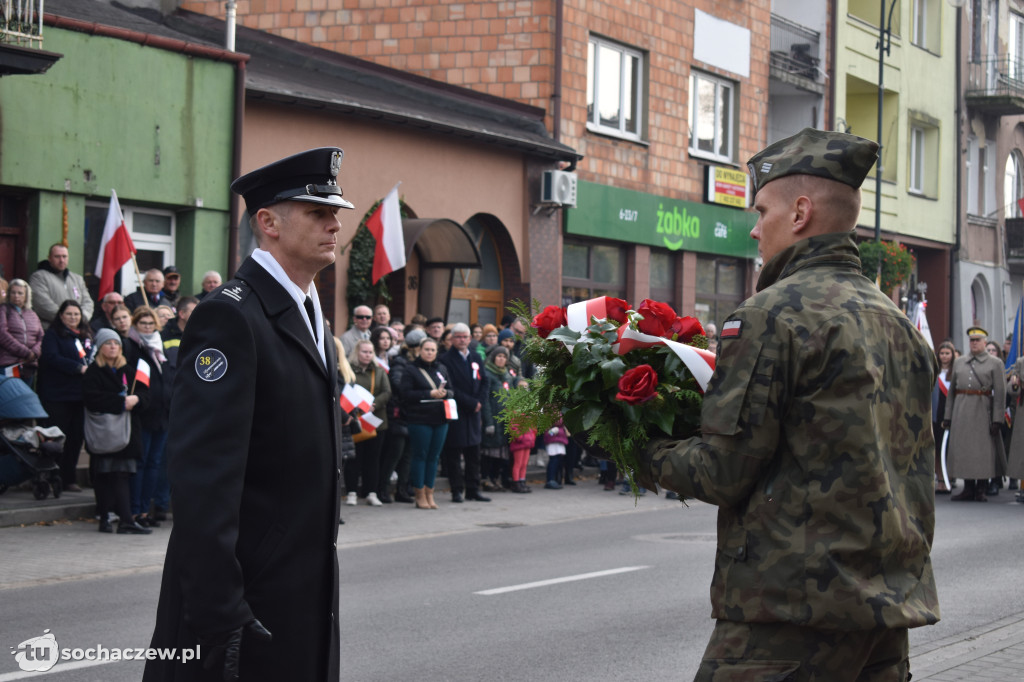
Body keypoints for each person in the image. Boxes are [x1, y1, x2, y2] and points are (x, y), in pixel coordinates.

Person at [627, 129, 939, 678]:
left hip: (791, 613)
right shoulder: (899, 325)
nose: (754, 226)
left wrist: (633, 443)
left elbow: (723, 471)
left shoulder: (772, 315)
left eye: (762, 209)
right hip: (884, 613)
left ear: (799, 213)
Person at [144, 147, 352, 682]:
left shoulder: (309, 314)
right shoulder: (231, 318)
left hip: (301, 591)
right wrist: (218, 615)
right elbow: (203, 478)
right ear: (268, 222)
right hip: (245, 603)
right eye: (317, 213)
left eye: (335, 213)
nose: (334, 224)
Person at [83, 328, 151, 535]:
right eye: (108, 343)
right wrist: (120, 402)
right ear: (100, 348)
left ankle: (126, 520)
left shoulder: (129, 371)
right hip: (103, 432)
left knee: (122, 475)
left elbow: (145, 394)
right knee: (103, 475)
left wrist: (137, 400)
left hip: (126, 434)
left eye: (116, 344)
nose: (113, 347)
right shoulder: (93, 371)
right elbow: (91, 398)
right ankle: (104, 517)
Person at [942, 327, 1007, 502]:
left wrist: (997, 419)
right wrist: (947, 416)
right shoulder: (960, 361)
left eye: (978, 340)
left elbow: (1000, 394)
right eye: (972, 340)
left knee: (982, 452)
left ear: (985, 342)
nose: (974, 343)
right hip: (961, 410)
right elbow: (952, 392)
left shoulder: (995, 363)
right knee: (963, 450)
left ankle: (981, 488)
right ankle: (968, 488)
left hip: (982, 409)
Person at [37, 300, 93, 492]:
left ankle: (69, 478)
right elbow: (51, 358)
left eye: (76, 314)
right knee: (56, 438)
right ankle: (51, 476)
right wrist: (78, 368)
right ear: (61, 316)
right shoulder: (53, 335)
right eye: (69, 314)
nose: (73, 318)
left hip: (79, 397)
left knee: (76, 438)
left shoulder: (84, 336)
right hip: (57, 396)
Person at [127, 307, 169, 528]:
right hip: (144, 415)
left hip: (162, 416)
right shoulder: (133, 347)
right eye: (142, 324)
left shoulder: (158, 346)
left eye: (150, 324)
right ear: (135, 325)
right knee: (141, 464)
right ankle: (134, 511)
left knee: (155, 464)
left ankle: (145, 510)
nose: (147, 327)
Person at [440, 322, 490, 503]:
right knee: (454, 454)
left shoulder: (475, 356)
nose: (462, 340)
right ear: (452, 339)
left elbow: (485, 381)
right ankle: (456, 490)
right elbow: (450, 386)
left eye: (465, 337)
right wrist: (470, 402)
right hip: (458, 410)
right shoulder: (445, 360)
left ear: (470, 338)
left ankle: (473, 489)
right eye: (458, 337)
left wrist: (479, 402)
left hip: (474, 412)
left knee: (474, 454)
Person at [400, 338, 453, 509]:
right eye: (426, 349)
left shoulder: (442, 368)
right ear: (420, 350)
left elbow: (452, 390)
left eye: (432, 350)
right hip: (419, 419)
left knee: (434, 457)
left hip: (440, 419)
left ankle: (430, 494)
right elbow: (405, 394)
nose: (429, 352)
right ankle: (419, 494)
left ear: (437, 352)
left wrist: (445, 393)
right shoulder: (411, 370)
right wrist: (429, 393)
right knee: (420, 456)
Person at [345, 339, 391, 507]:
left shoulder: (379, 372)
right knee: (354, 459)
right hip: (355, 420)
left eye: (370, 352)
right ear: (357, 352)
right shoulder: (349, 370)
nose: (368, 355)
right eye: (364, 352)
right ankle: (351, 492)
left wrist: (373, 405)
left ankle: (371, 492)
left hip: (375, 421)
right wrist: (359, 407)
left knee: (373, 459)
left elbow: (387, 392)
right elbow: (345, 390)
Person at [383, 328, 426, 504]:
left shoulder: (419, 363)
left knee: (408, 454)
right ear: (416, 347)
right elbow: (399, 386)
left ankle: (402, 490)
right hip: (399, 414)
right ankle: (383, 489)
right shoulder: (400, 362)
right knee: (395, 455)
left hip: (413, 414)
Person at [29, 243, 95, 328]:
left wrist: (80, 318)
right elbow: (43, 305)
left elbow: (88, 302)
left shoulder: (77, 279)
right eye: (57, 256)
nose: (61, 260)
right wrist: (69, 319)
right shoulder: (39, 277)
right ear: (49, 258)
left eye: (64, 256)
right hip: (52, 330)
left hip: (77, 331)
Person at [480, 345, 513, 491]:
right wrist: (488, 422)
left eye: (504, 357)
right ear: (493, 358)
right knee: (489, 453)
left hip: (505, 421)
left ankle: (495, 478)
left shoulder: (507, 375)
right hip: (493, 419)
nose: (501, 359)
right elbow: (485, 400)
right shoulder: (487, 374)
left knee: (501, 454)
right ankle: (485, 478)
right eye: (499, 356)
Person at [0, 279, 43, 386]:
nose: (16, 296)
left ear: (26, 296)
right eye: (13, 292)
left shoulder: (32, 314)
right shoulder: (3, 310)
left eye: (20, 293)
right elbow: (3, 334)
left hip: (28, 366)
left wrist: (34, 352)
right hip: (9, 364)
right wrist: (25, 352)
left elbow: (41, 336)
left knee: (25, 395)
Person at [933, 340, 955, 494]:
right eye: (942, 353)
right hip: (936, 414)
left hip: (952, 414)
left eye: (947, 353)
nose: (944, 356)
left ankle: (949, 477)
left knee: (949, 448)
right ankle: (940, 478)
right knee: (937, 446)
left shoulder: (955, 372)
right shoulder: (935, 372)